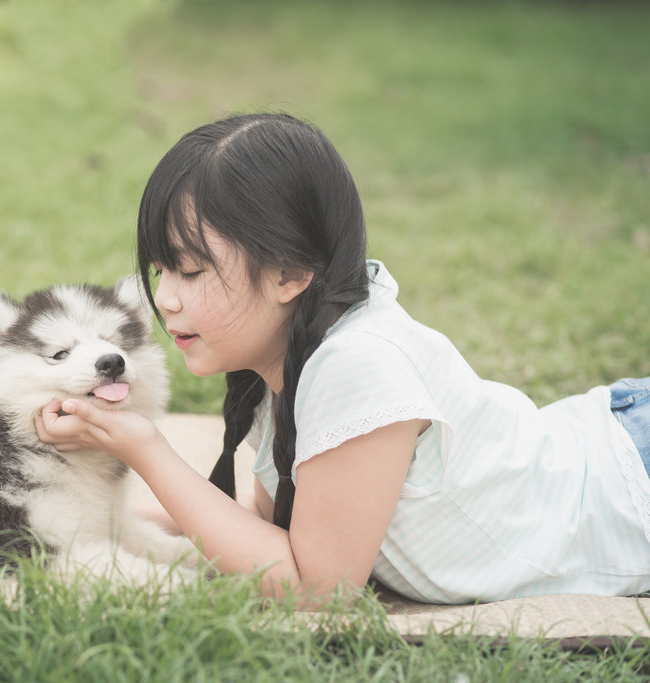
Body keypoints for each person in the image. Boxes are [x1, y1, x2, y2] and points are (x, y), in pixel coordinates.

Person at [35, 112, 650, 606]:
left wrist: (144, 447)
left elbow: (316, 588)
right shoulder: (290, 351)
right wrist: (82, 509)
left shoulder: (357, 364)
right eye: (160, 269)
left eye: (191, 270)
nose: (163, 297)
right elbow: (268, 534)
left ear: (292, 273)